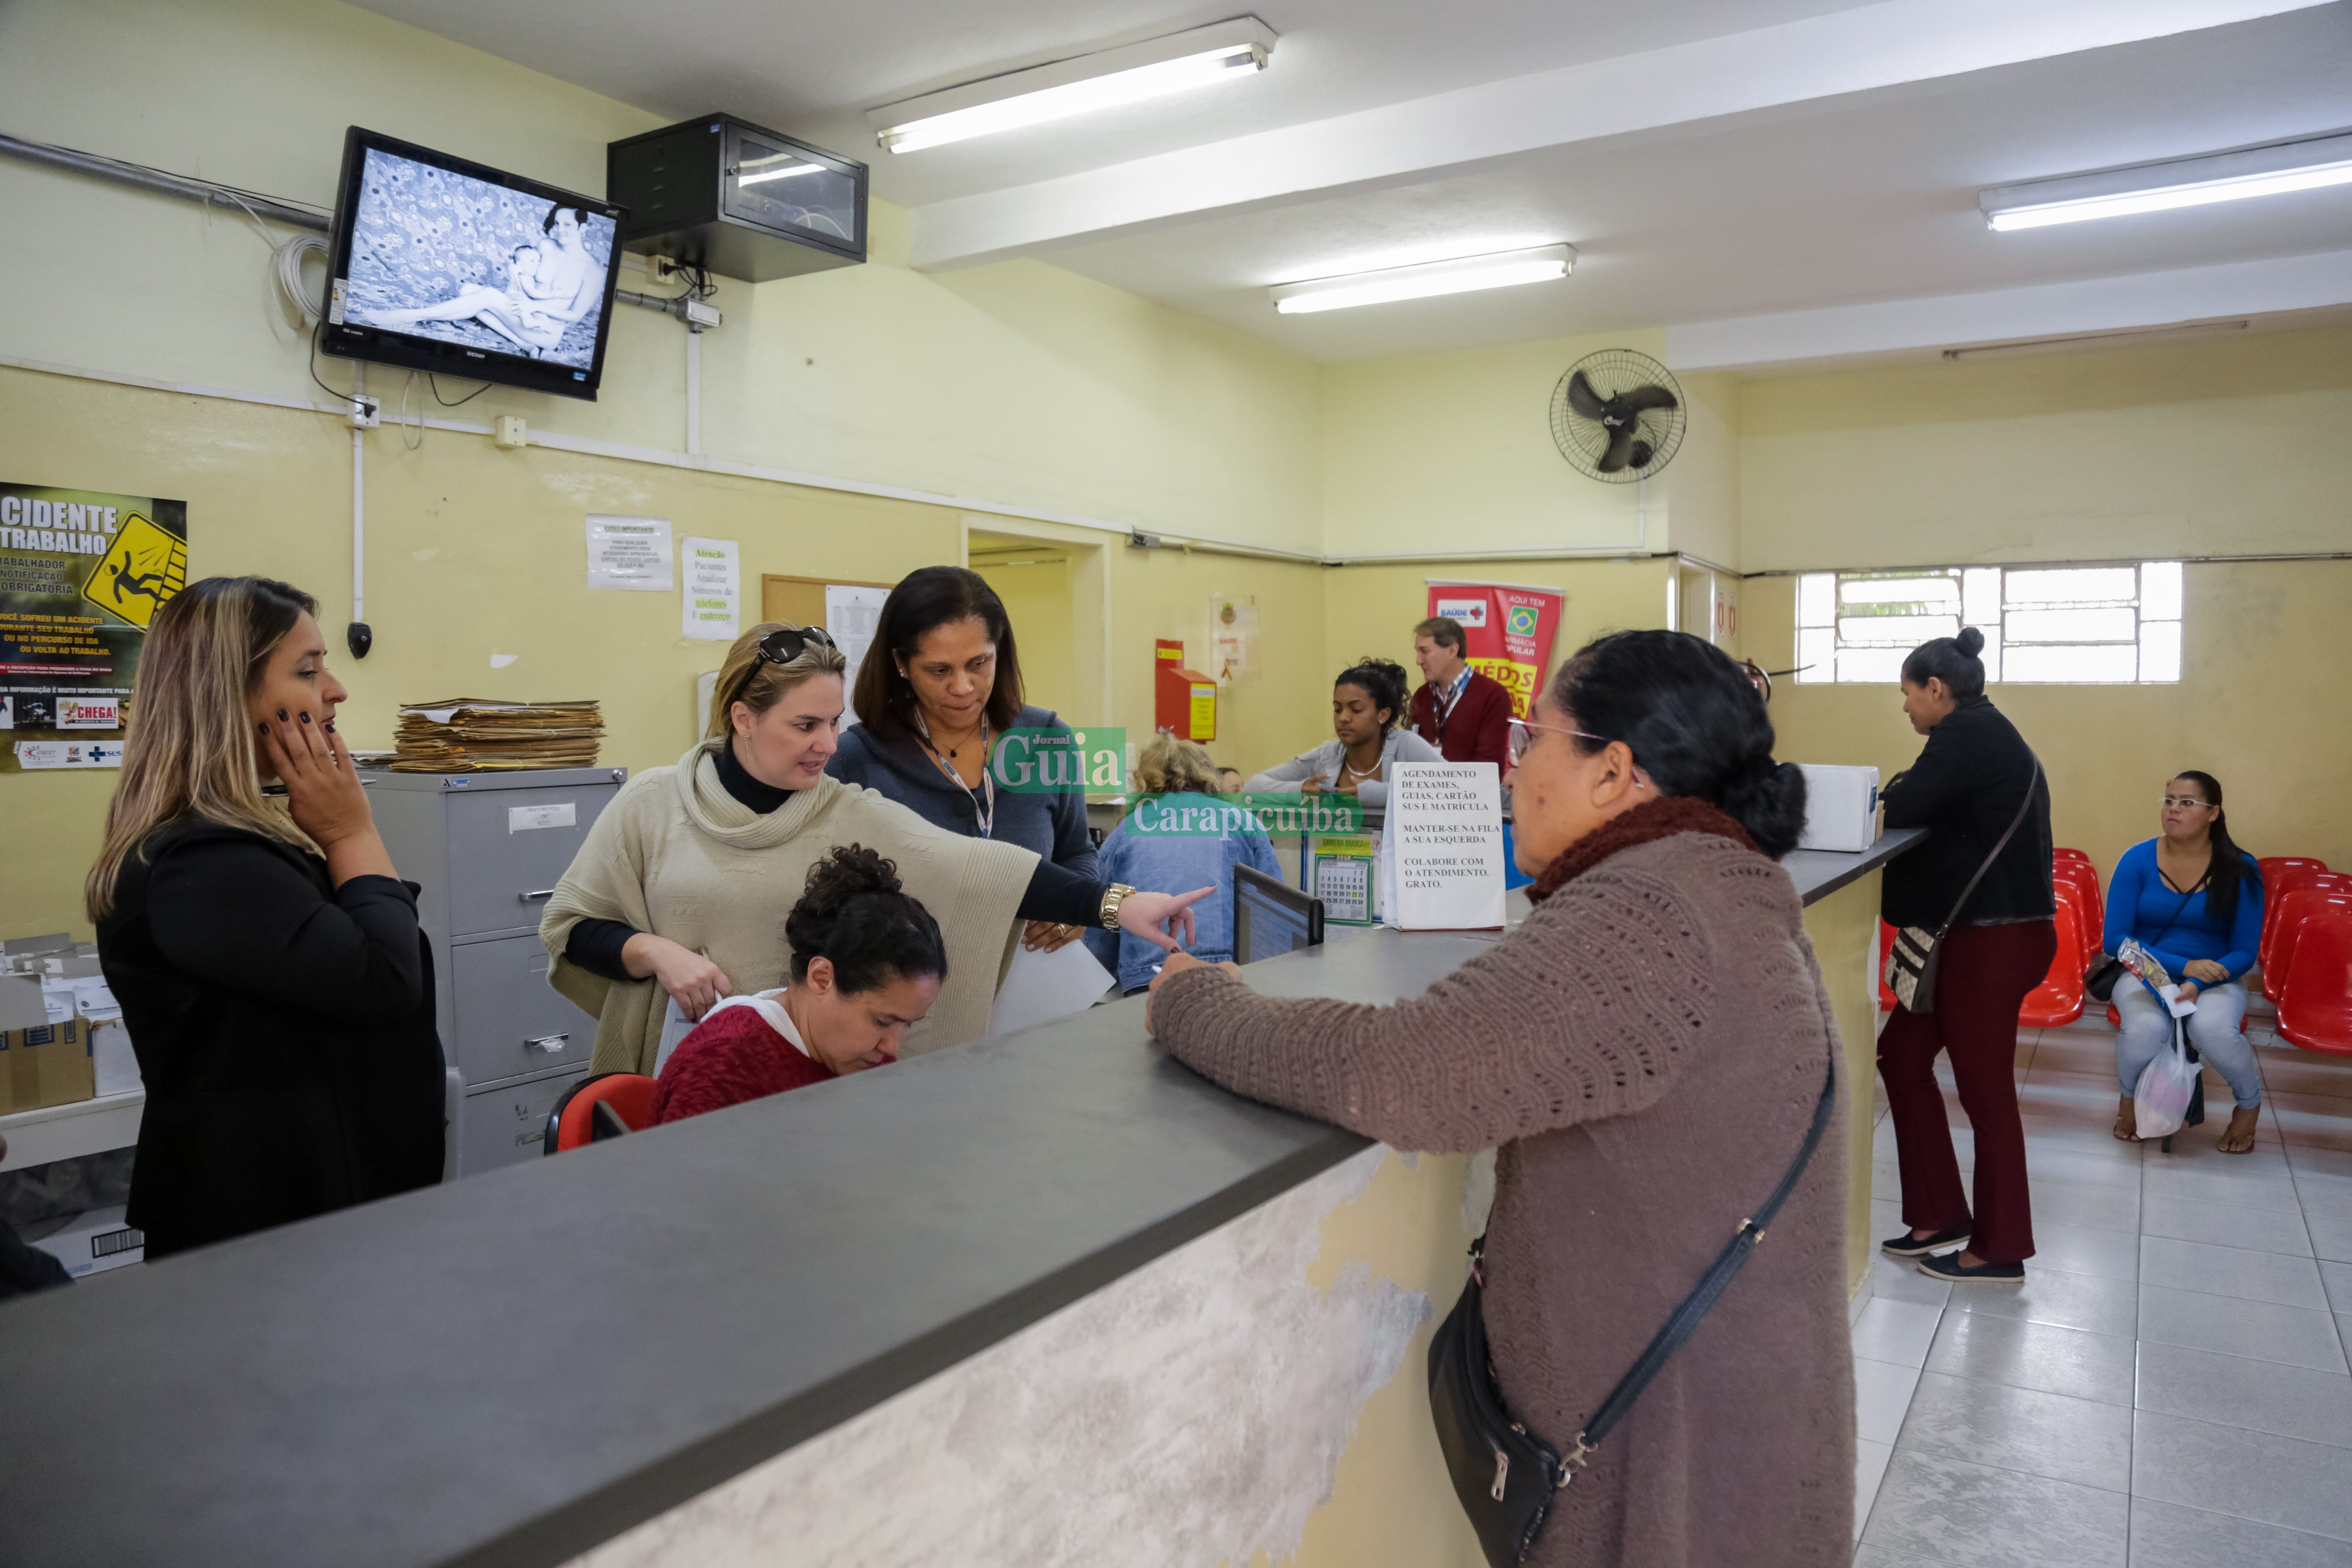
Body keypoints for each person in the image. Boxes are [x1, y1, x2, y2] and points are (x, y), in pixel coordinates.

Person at [1148, 630, 1849, 1566]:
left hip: (1671, 1452)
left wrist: (1193, 1000)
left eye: (1531, 741)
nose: (1511, 770)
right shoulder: (1712, 885)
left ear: (1611, 771)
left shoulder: (1648, 910)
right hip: (1717, 1411)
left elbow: (1400, 1073)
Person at [543, 622, 1208, 1076]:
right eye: (805, 725)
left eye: (835, 724)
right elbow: (573, 928)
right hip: (681, 1074)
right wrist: (654, 952)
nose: (828, 745)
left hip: (798, 1086)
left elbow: (985, 873)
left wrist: (1123, 905)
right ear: (743, 718)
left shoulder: (844, 811)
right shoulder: (653, 804)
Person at [87, 577, 445, 1258]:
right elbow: (385, 980)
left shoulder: (247, 845)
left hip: (318, 1217)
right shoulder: (201, 864)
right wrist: (351, 834)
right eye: (309, 671)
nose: (335, 690)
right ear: (228, 698)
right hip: (263, 1237)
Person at [1875, 626, 2055, 1284]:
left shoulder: (1969, 733)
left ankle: (2000, 1247)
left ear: (1935, 689)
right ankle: (1939, 1216)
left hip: (1993, 939)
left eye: (1908, 695)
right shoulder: (1982, 731)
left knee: (1986, 1095)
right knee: (1901, 1056)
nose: (1906, 709)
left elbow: (1906, 804)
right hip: (1985, 934)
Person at [827, 567, 1098, 958]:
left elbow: (1077, 851)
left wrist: (1078, 907)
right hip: (907, 1000)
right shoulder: (855, 760)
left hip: (1035, 986)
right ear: (901, 664)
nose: (963, 688)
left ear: (999, 651)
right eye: (939, 670)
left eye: (978, 664)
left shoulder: (1047, 739)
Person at [654, 846, 944, 1124]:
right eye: (882, 1022)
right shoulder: (722, 1065)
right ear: (822, 978)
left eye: (907, 1025)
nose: (892, 1047)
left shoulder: (867, 1062)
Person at [2108, 771, 2265, 1153]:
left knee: (2213, 1029)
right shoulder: (2137, 859)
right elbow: (2115, 941)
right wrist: (2184, 968)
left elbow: (2245, 950)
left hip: (2216, 976)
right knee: (2144, 1029)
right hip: (2144, 970)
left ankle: (2249, 1106)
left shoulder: (2242, 868)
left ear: (2213, 813)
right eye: (2168, 800)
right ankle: (2128, 1099)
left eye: (2187, 802)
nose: (2173, 809)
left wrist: (2199, 981)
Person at [1086, 735, 1281, 996]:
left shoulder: (1127, 831)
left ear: (1146, 780)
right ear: (1208, 776)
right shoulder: (1243, 822)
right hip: (1225, 974)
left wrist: (1100, 978)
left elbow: (1103, 920)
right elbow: (1273, 914)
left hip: (1148, 977)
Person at [368, 205, 605, 359]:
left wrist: (535, 307)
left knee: (487, 297)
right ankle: (521, 343)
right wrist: (517, 277)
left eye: (568, 225)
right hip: (522, 313)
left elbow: (575, 315)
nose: (559, 230)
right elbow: (526, 276)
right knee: (468, 290)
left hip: (544, 330)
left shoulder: (593, 271)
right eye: (557, 223)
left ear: (582, 229)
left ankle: (410, 316)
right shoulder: (547, 246)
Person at [1243, 657, 1440, 811]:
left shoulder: (1406, 746)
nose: (1344, 718)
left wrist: (1373, 794)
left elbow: (1456, 789)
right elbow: (1253, 787)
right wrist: (1299, 790)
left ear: (1383, 715)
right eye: (1338, 709)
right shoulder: (1327, 755)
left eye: (1356, 710)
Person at [1407, 616, 1512, 766]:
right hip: (1427, 788)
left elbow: (1490, 766)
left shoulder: (1493, 696)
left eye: (1425, 651)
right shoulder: (1421, 696)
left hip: (1472, 790)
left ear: (1452, 651)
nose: (1418, 661)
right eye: (1418, 652)